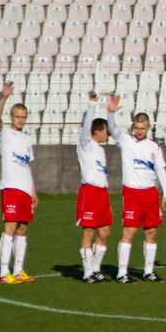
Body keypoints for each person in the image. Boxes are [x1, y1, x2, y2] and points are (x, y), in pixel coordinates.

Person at [107, 97, 166, 283]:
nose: (139, 131)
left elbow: (160, 169)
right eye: (137, 127)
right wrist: (110, 113)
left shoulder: (154, 147)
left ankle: (148, 271)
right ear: (133, 126)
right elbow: (112, 130)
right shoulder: (125, 141)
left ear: (148, 127)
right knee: (130, 232)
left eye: (142, 128)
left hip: (150, 193)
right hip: (132, 193)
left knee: (151, 232)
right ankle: (121, 273)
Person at [0, 81, 38, 284]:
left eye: (23, 117)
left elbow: (28, 166)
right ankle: (4, 272)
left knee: (23, 228)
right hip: (11, 187)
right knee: (10, 227)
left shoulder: (28, 139)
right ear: (12, 117)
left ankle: (19, 270)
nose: (20, 120)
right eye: (17, 117)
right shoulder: (4, 134)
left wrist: (33, 191)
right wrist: (3, 98)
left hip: (25, 190)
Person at [76, 92, 112, 283]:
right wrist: (92, 104)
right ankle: (87, 272)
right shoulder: (85, 144)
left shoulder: (101, 149)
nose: (108, 134)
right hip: (89, 192)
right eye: (105, 130)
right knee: (89, 232)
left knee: (105, 232)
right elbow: (85, 127)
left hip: (102, 193)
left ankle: (96, 269)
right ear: (96, 131)